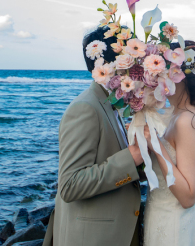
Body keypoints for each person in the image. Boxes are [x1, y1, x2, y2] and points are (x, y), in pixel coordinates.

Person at [43, 27, 145, 246]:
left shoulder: (109, 104)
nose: (137, 64)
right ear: (109, 62)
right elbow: (70, 185)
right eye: (130, 55)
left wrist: (142, 161)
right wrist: (130, 158)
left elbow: (108, 161)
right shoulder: (85, 108)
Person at [143, 39, 195, 246]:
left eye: (163, 70)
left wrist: (156, 145)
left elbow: (188, 197)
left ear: (180, 76)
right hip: (161, 219)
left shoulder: (186, 120)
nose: (158, 76)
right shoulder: (176, 114)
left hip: (174, 229)